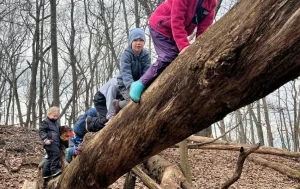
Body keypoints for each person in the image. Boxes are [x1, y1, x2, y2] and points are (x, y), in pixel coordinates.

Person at [130, 0, 217, 102]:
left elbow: (203, 30)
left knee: (178, 61)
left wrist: (202, 49)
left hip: (173, 32)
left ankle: (158, 88)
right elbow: (177, 20)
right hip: (160, 26)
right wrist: (183, 45)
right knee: (168, 56)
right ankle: (140, 83)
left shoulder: (210, 5)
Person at [114, 28, 151, 111]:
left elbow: (147, 72)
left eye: (141, 40)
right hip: (125, 84)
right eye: (135, 40)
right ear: (131, 42)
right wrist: (131, 88)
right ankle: (118, 104)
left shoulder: (146, 55)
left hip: (138, 83)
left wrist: (145, 84)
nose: (138, 43)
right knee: (132, 101)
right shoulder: (126, 55)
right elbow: (126, 73)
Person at [39, 106, 62, 183]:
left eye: (57, 116)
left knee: (49, 158)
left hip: (56, 142)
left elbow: (58, 131)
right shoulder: (46, 122)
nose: (55, 118)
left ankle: (46, 174)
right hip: (50, 142)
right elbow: (42, 131)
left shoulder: (56, 122)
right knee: (56, 154)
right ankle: (54, 170)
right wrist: (45, 140)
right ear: (49, 114)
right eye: (54, 116)